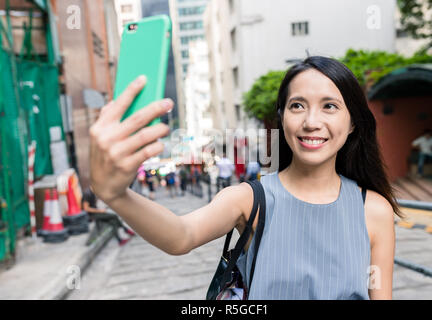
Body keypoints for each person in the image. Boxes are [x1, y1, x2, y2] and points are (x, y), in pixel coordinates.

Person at [89, 58, 404, 299]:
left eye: (330, 107)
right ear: (281, 118)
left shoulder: (373, 210)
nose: (311, 122)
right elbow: (181, 235)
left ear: (352, 124)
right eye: (297, 106)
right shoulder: (249, 199)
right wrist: (115, 195)